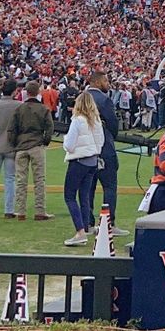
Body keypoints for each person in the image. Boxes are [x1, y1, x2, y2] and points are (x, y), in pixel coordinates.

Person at [7, 79, 54, 221]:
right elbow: (50, 128)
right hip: (36, 145)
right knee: (39, 179)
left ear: (26, 92)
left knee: (21, 180)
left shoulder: (19, 109)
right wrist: (45, 141)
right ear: (38, 92)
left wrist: (15, 143)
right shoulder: (43, 109)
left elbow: (11, 129)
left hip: (21, 146)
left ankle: (20, 211)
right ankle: (40, 210)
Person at [87, 71, 127, 236]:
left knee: (87, 187)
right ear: (98, 82)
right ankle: (108, 224)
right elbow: (112, 124)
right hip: (104, 148)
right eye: (106, 81)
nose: (108, 84)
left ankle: (87, 223)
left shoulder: (82, 98)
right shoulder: (104, 100)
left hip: (85, 150)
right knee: (109, 186)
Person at [62, 91, 105, 246]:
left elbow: (69, 145)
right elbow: (101, 142)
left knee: (69, 195)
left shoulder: (78, 120)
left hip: (79, 161)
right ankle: (85, 226)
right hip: (93, 161)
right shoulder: (96, 120)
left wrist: (65, 140)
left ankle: (80, 231)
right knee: (85, 195)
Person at [0, 79, 19, 218]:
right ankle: (9, 210)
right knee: (10, 179)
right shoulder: (19, 106)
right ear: (14, 91)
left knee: (10, 178)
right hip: (11, 146)